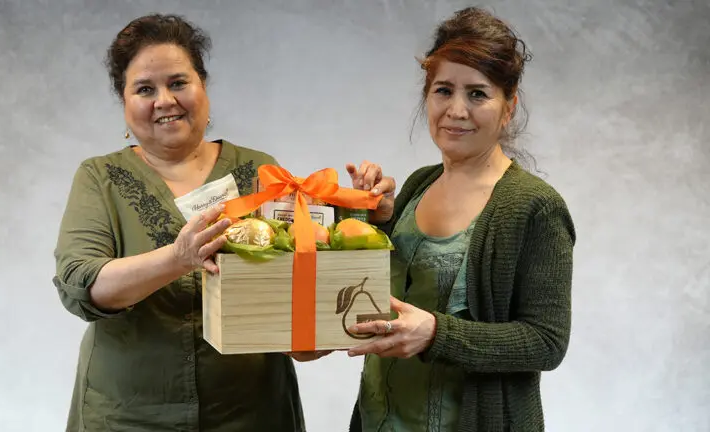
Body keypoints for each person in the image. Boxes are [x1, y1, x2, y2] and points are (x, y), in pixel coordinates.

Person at [52, 14, 305, 431]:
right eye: (145, 89)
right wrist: (178, 257)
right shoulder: (99, 177)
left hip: (252, 413)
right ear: (124, 101)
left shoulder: (261, 171)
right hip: (127, 416)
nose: (164, 100)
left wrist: (363, 211)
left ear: (202, 86)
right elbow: (82, 284)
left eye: (178, 83)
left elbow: (301, 275)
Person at [341, 7, 576, 432]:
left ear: (509, 107)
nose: (456, 109)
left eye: (478, 94)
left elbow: (547, 342)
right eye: (443, 90)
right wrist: (372, 223)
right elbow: (385, 293)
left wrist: (436, 334)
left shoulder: (535, 207)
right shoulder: (416, 185)